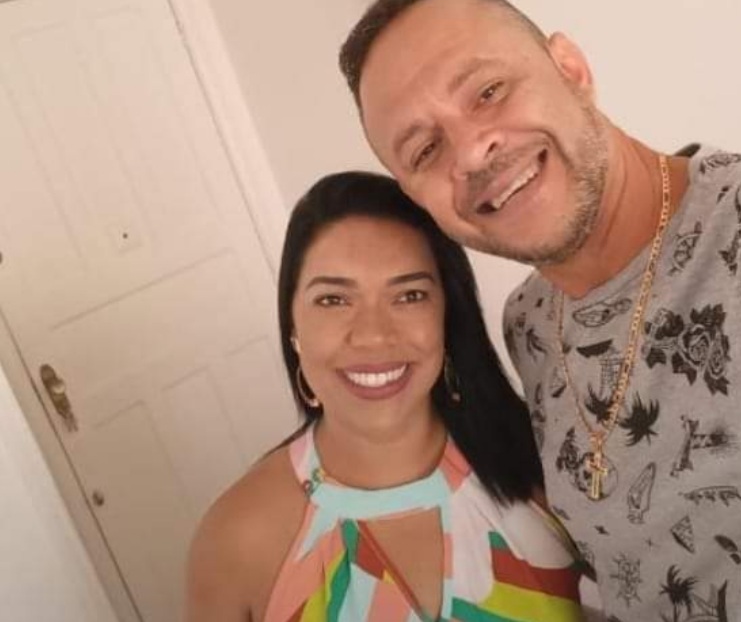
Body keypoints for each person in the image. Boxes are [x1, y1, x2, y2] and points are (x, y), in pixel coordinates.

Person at [338, 0, 741, 621]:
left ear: (570, 70)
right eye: (425, 149)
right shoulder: (530, 322)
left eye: (489, 92)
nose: (470, 153)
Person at [185, 171, 586, 622]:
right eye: (334, 300)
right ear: (293, 327)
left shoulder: (542, 460)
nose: (374, 336)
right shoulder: (236, 538)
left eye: (410, 295)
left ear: (447, 316)